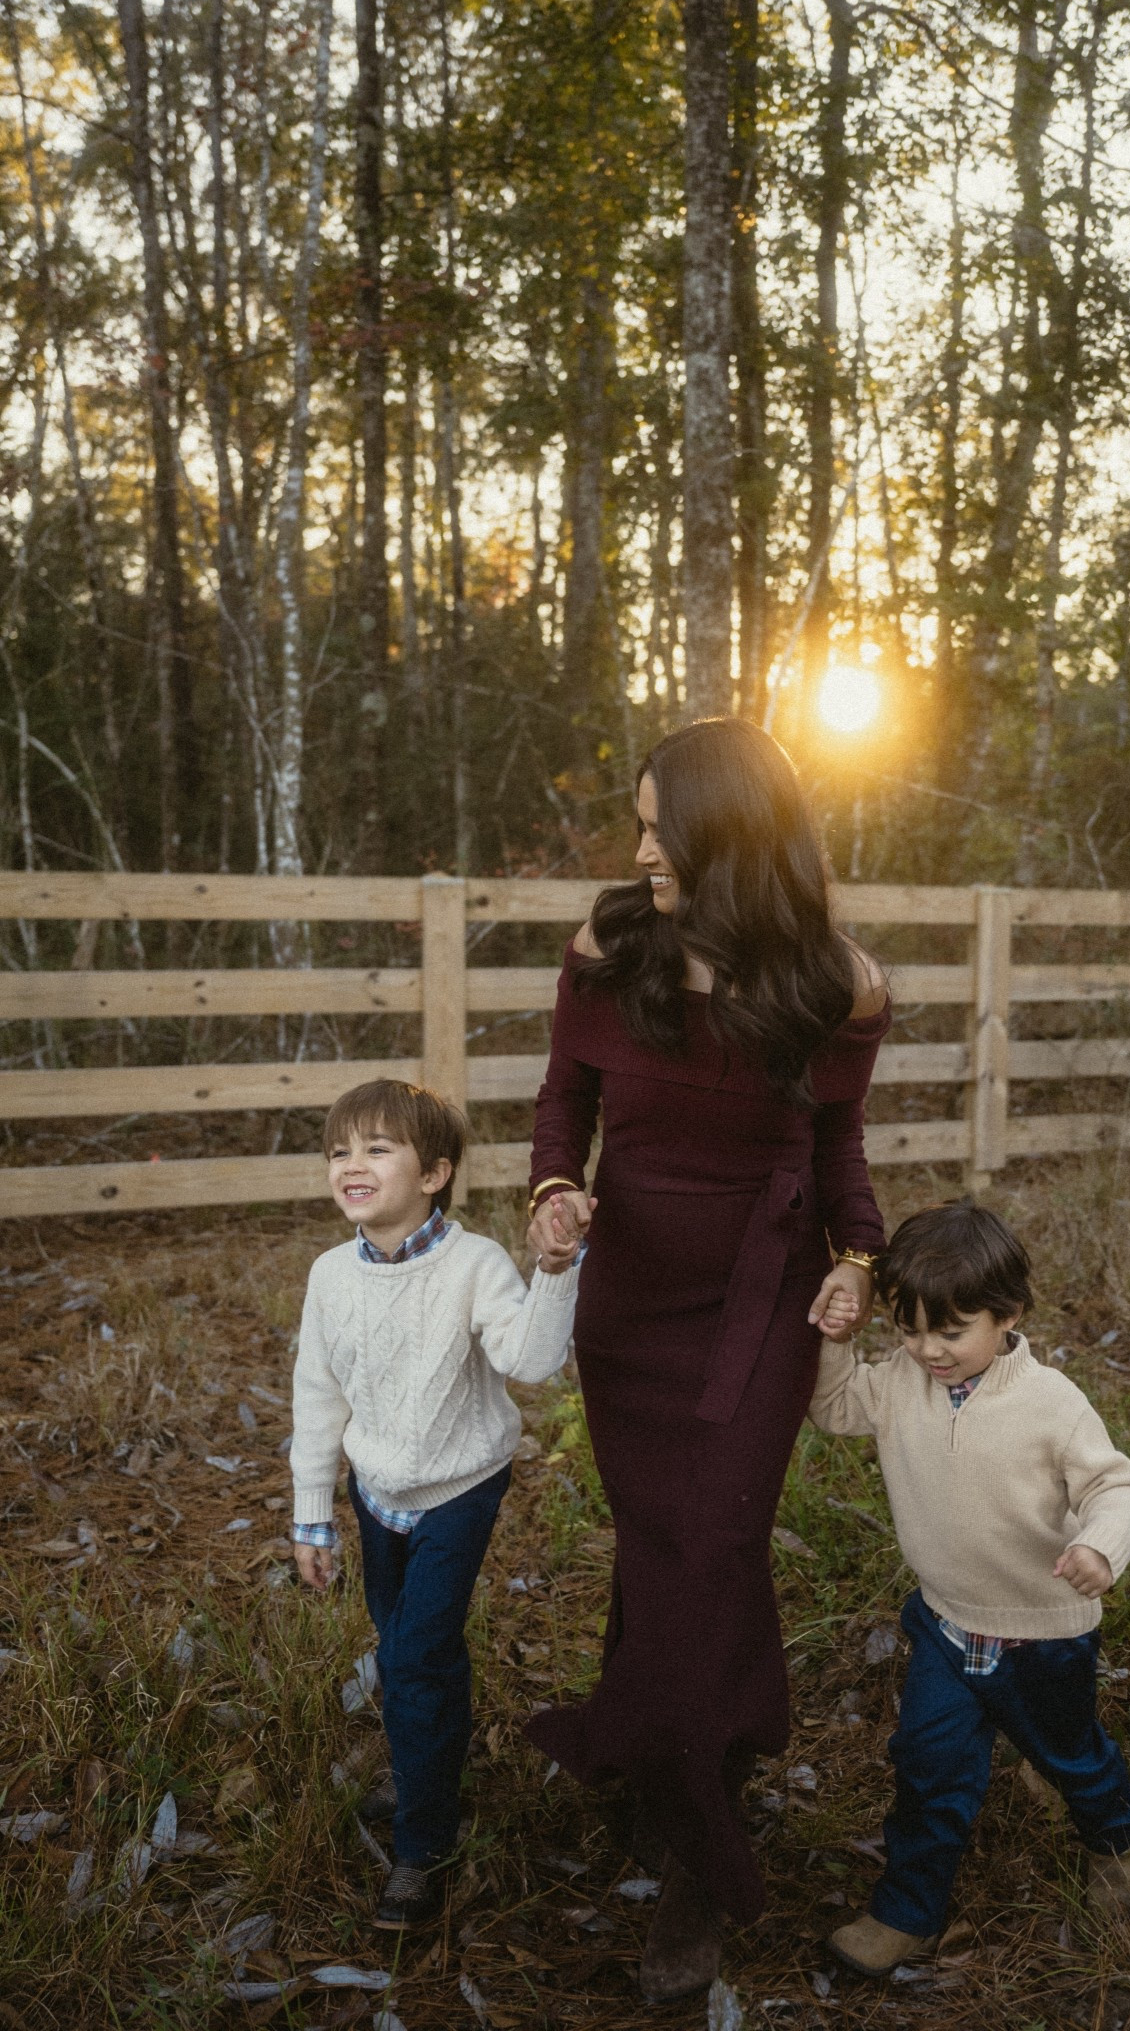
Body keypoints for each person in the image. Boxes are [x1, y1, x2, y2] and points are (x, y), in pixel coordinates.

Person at [525, 716, 890, 2002]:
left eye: (656, 826)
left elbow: (839, 1145)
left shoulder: (836, 979)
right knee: (656, 1542)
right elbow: (563, 1099)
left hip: (760, 1297)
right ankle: (660, 1750)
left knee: (718, 1541)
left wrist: (858, 1257)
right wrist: (555, 1189)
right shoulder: (610, 942)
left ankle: (697, 1854)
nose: (637, 849)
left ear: (725, 834)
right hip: (626, 1303)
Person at [808, 1197, 1130, 1977]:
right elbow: (831, 1408)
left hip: (1044, 1634)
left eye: (950, 1331)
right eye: (909, 1328)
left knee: (1071, 1756)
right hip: (945, 1625)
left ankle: (1115, 1841)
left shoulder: (1051, 1404)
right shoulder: (900, 1381)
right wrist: (835, 1343)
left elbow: (1117, 1489)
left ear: (1007, 1316)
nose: (928, 1349)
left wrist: (1100, 1546)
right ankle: (907, 1910)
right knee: (927, 1766)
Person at [290, 1078, 580, 1930]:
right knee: (405, 1644)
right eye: (340, 1149)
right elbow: (318, 1395)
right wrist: (313, 1511)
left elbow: (532, 1361)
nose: (354, 1164)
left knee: (416, 1654)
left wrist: (555, 1273)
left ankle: (424, 1846)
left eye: (378, 1148)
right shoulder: (329, 1275)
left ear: (436, 1172)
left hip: (459, 1488)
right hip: (375, 1490)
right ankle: (428, 1769)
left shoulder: (476, 1264)